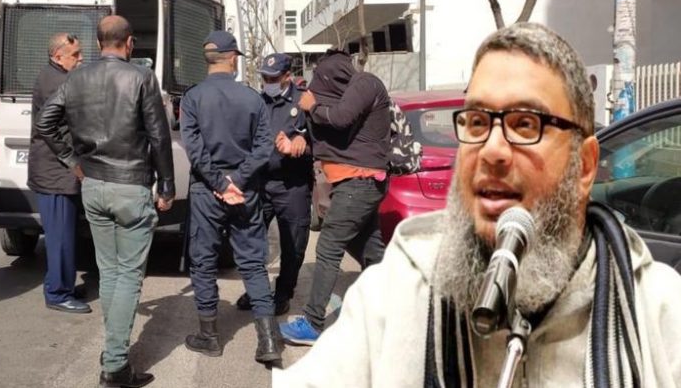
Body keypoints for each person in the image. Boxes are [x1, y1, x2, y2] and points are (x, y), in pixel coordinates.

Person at [273, 23, 681, 387]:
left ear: (586, 166)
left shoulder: (657, 314)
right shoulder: (396, 293)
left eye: (526, 124)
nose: (492, 150)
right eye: (477, 122)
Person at [36, 15, 174, 388]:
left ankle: (113, 348)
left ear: (98, 44)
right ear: (129, 43)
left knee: (110, 271)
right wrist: (167, 186)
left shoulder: (75, 77)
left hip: (93, 185)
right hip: (130, 185)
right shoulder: (142, 77)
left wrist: (72, 161)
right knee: (127, 274)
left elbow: (45, 123)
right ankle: (115, 365)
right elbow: (159, 137)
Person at [180, 31, 283, 365]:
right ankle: (268, 340)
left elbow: (193, 148)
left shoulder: (193, 98)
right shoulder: (252, 98)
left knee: (204, 262)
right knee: (252, 263)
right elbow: (264, 147)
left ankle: (209, 337)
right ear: (232, 58)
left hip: (207, 190)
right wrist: (236, 180)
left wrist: (219, 182)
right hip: (245, 190)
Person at [280, 47, 392, 345]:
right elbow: (334, 140)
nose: (315, 87)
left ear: (331, 77)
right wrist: (298, 141)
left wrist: (313, 106)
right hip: (354, 184)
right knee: (370, 251)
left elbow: (340, 119)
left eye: (319, 79)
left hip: (360, 183)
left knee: (329, 246)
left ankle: (313, 323)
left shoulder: (365, 84)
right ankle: (394, 308)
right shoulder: (346, 98)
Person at [235, 52, 313, 316]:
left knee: (294, 244)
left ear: (287, 76)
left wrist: (303, 144)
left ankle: (282, 293)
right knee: (253, 241)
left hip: (293, 185)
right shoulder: (257, 102)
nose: (268, 82)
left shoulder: (303, 101)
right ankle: (256, 290)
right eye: (265, 78)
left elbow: (320, 141)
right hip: (261, 183)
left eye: (273, 78)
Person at [28, 32, 90, 314]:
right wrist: (71, 160)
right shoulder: (55, 82)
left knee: (66, 234)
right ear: (57, 56)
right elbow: (48, 127)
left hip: (57, 172)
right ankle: (57, 293)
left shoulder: (57, 76)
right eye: (75, 55)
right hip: (55, 174)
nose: (81, 59)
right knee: (60, 238)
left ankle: (63, 285)